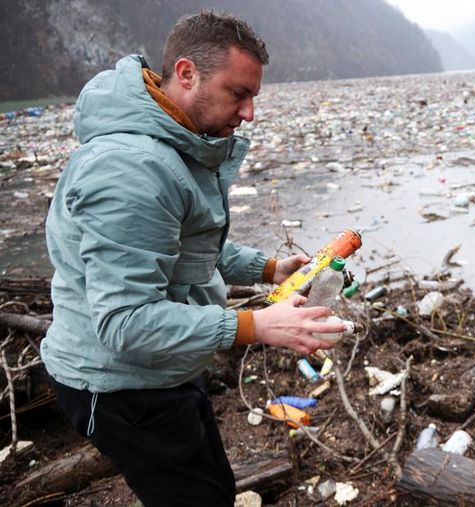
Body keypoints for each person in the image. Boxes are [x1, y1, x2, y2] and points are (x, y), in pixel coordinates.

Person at [41, 10, 345, 506]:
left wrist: (268, 269)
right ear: (187, 74)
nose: (249, 113)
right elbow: (126, 322)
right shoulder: (131, 171)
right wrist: (254, 325)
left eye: (253, 96)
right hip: (119, 382)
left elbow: (180, 245)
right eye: (238, 93)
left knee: (213, 488)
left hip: (165, 367)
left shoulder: (175, 140)